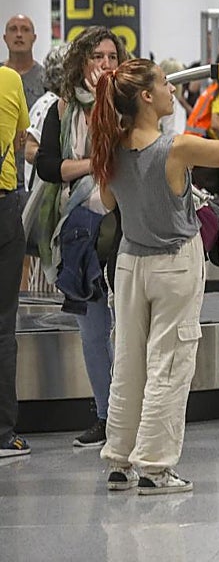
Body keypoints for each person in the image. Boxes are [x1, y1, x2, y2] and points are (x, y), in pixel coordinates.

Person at [89, 56, 219, 494]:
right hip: (174, 264)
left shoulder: (110, 146)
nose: (171, 90)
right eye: (164, 84)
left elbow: (108, 203)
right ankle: (155, 466)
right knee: (169, 363)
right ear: (146, 97)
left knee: (128, 362)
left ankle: (120, 460)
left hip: (129, 265)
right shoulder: (176, 147)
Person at [34, 27, 129, 448]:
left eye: (111, 56)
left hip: (126, 222)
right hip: (78, 226)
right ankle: (105, 414)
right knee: (92, 327)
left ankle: (133, 415)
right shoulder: (62, 110)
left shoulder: (129, 104)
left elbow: (130, 155)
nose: (105, 65)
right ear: (82, 62)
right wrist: (93, 162)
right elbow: (50, 166)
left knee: (129, 324)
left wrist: (90, 157)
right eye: (97, 57)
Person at [0, 64, 29, 459]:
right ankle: (4, 433)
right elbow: (21, 137)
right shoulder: (9, 80)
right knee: (4, 324)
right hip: (3, 208)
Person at [23, 45, 66, 191]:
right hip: (41, 193)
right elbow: (30, 151)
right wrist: (59, 162)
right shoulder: (48, 104)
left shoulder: (61, 103)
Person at [4, 15, 45, 112]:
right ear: (5, 38)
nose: (19, 34)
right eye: (13, 29)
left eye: (25, 30)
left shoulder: (46, 79)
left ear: (34, 38)